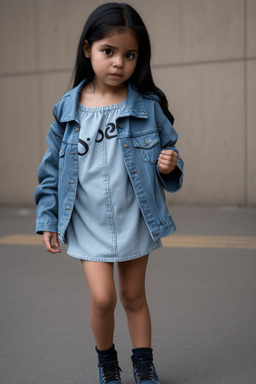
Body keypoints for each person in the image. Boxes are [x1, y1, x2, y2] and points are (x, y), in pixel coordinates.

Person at [35, 3, 184, 383]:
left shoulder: (148, 107)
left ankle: (144, 364)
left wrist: (169, 164)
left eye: (129, 55)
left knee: (133, 297)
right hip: (87, 219)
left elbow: (170, 152)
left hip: (133, 215)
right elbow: (51, 169)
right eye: (108, 51)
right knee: (103, 298)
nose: (119, 63)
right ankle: (106, 363)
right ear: (88, 49)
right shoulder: (67, 111)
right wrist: (48, 218)